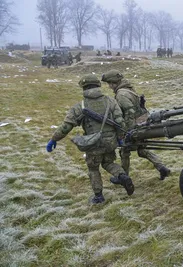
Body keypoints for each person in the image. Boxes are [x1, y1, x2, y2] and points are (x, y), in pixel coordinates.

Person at [46, 74, 134, 204]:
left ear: (84, 88)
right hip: (110, 141)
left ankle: (98, 196)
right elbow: (120, 122)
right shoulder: (111, 101)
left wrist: (54, 139)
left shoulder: (80, 106)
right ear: (98, 86)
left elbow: (66, 126)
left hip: (93, 143)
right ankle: (123, 176)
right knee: (108, 163)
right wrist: (120, 138)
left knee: (93, 168)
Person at [101, 70, 171, 182]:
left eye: (109, 83)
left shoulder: (121, 94)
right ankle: (161, 167)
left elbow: (129, 113)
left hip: (135, 126)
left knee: (124, 151)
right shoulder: (129, 90)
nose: (109, 86)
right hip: (142, 123)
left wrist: (127, 132)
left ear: (114, 82)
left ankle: (124, 177)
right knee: (142, 149)